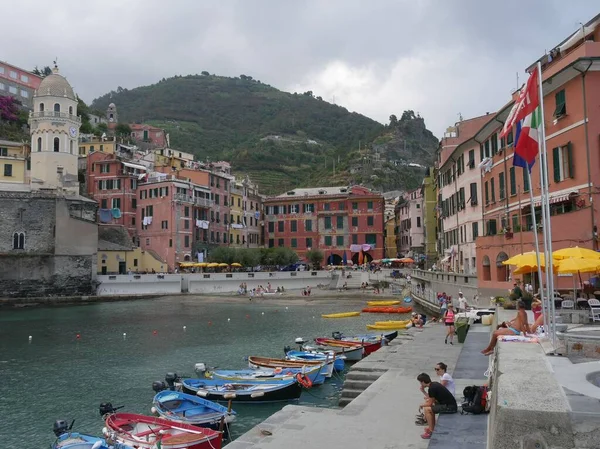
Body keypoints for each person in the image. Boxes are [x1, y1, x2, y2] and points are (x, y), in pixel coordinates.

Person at [416, 373, 457, 439]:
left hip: (450, 407)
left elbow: (429, 403)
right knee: (427, 406)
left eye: (420, 382)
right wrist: (423, 391)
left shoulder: (432, 388)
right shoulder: (434, 384)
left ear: (423, 382)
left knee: (427, 409)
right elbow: (430, 399)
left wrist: (421, 405)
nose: (420, 384)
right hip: (448, 404)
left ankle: (431, 431)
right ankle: (431, 427)